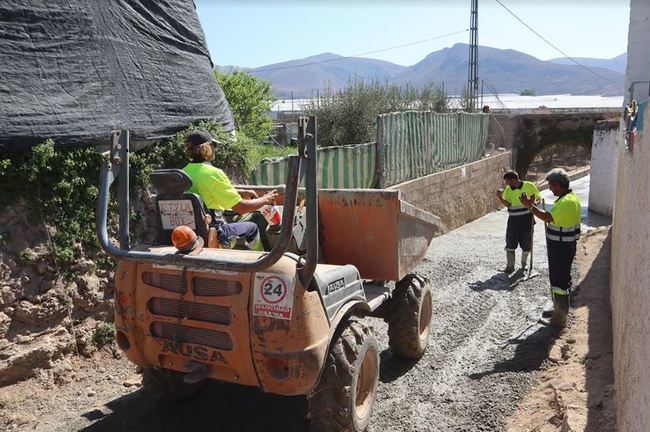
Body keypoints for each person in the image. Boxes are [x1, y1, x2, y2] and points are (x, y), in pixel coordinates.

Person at [181, 129, 278, 249]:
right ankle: (259, 262)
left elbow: (206, 191)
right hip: (213, 232)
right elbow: (241, 208)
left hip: (191, 233)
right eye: (214, 145)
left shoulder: (183, 172)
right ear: (206, 147)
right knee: (252, 227)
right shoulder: (214, 173)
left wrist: (240, 192)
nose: (215, 148)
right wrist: (266, 199)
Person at [520, 168, 581, 327]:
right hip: (564, 246)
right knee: (560, 279)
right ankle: (558, 310)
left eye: (551, 186)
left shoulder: (566, 202)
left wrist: (530, 206)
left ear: (559, 185)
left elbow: (548, 217)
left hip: (561, 248)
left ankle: (559, 318)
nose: (549, 189)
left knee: (559, 281)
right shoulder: (570, 198)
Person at [496, 170, 541, 273]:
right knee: (510, 242)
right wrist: (499, 197)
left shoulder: (529, 186)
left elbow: (538, 198)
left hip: (527, 219)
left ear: (515, 179)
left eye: (508, 182)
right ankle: (510, 266)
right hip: (513, 221)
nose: (507, 185)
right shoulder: (508, 189)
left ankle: (524, 265)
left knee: (526, 243)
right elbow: (508, 204)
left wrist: (532, 203)